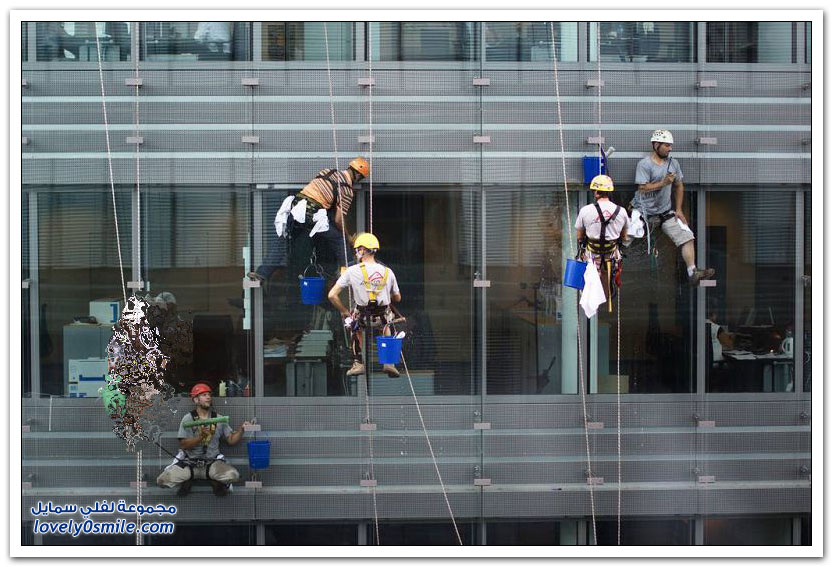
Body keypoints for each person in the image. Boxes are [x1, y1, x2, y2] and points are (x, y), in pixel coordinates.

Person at [249, 157, 370, 287]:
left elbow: (318, 191)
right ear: (358, 176)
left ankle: (261, 273)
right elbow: (338, 220)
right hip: (312, 214)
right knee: (340, 240)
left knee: (283, 242)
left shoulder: (327, 172)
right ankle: (349, 272)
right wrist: (348, 236)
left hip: (295, 209)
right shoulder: (346, 191)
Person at [631, 129, 715, 285]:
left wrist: (679, 209)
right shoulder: (645, 164)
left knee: (687, 236)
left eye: (670, 145)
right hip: (642, 211)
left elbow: (679, 186)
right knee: (626, 237)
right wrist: (663, 183)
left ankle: (693, 272)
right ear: (656, 145)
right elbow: (642, 188)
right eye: (666, 145)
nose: (670, 149)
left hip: (664, 212)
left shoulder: (673, 163)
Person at [327, 233, 402, 378]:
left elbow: (332, 295)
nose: (356, 253)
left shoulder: (352, 271)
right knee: (387, 324)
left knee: (354, 326)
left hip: (362, 317)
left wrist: (344, 312)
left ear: (362, 250)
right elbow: (397, 298)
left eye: (357, 250)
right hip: (382, 317)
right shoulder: (388, 272)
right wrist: (383, 291)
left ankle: (358, 363)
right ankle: (388, 362)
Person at [156, 383, 251, 497]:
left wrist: (241, 429)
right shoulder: (188, 418)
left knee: (233, 476)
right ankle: (188, 480)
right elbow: (184, 445)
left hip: (212, 463)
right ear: (196, 400)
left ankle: (214, 479)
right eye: (204, 395)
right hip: (190, 464)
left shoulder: (218, 418)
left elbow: (231, 440)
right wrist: (201, 437)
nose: (208, 397)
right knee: (162, 481)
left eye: (209, 395)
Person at [575, 174, 630, 310]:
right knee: (607, 276)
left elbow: (579, 236)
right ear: (609, 192)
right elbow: (624, 237)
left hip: (592, 255)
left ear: (596, 192)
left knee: (589, 276)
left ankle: (590, 300)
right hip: (611, 255)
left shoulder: (585, 210)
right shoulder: (621, 211)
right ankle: (605, 297)